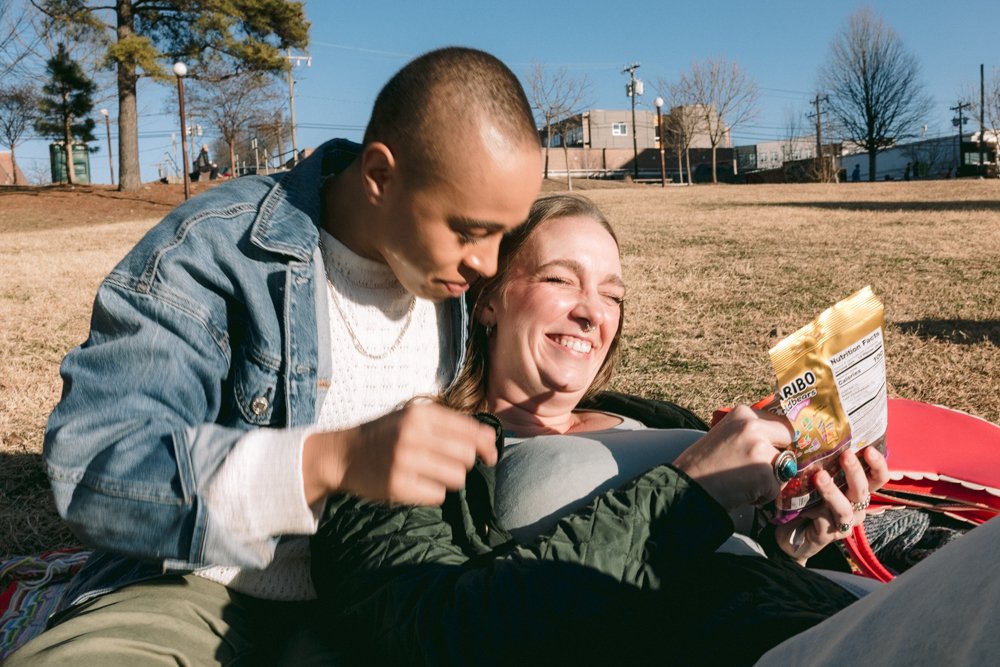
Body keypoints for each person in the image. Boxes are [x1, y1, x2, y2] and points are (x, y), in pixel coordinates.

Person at [9, 47, 543, 664]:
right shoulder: (216, 251)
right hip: (190, 589)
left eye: (505, 232)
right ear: (379, 176)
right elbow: (93, 466)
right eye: (469, 230)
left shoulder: (462, 290)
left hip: (377, 600)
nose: (488, 263)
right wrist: (330, 460)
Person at [309, 193, 893, 665]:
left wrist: (793, 546)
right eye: (561, 280)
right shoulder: (409, 451)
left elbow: (742, 560)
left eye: (611, 294)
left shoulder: (659, 418)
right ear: (488, 300)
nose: (593, 312)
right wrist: (686, 493)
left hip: (825, 614)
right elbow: (439, 633)